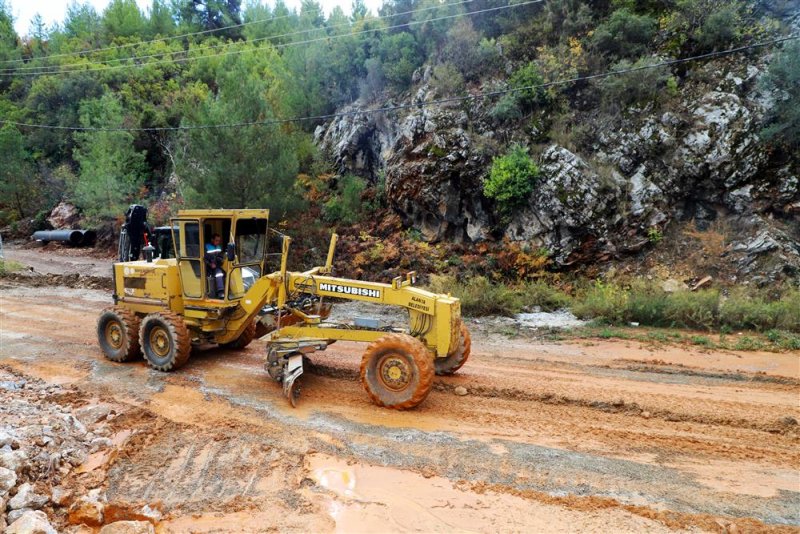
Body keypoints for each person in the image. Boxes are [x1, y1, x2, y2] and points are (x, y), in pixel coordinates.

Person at [205, 233, 225, 299]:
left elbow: (220, 256)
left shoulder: (219, 247)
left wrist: (221, 259)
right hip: (208, 267)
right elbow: (203, 258)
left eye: (219, 241)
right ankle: (220, 292)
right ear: (212, 240)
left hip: (217, 266)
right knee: (219, 273)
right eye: (216, 240)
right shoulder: (206, 247)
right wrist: (210, 264)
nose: (218, 242)